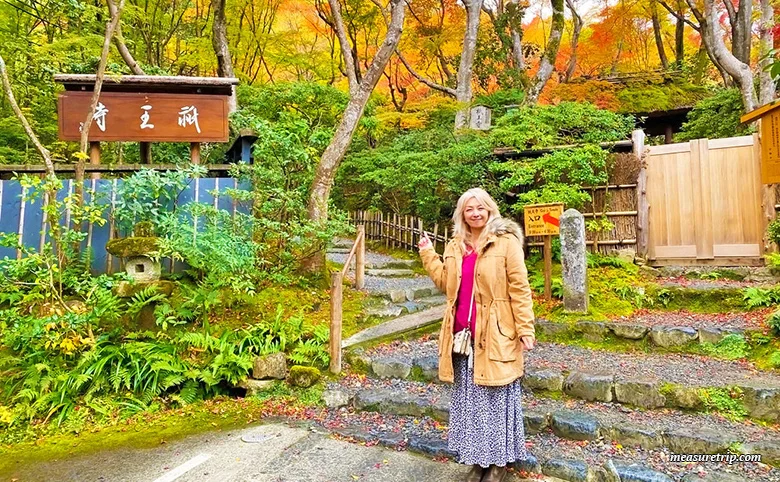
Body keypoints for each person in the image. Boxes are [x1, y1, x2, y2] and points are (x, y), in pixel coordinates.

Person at [417, 188, 535, 482]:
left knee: (494, 398)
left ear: (490, 210)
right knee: (471, 401)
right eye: (469, 209)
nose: (476, 213)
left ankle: (497, 464)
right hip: (462, 335)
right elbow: (447, 284)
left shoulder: (505, 242)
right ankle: (478, 461)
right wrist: (428, 254)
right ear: (462, 214)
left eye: (481, 207)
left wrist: (525, 328)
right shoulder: (455, 245)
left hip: (495, 332)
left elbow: (519, 288)